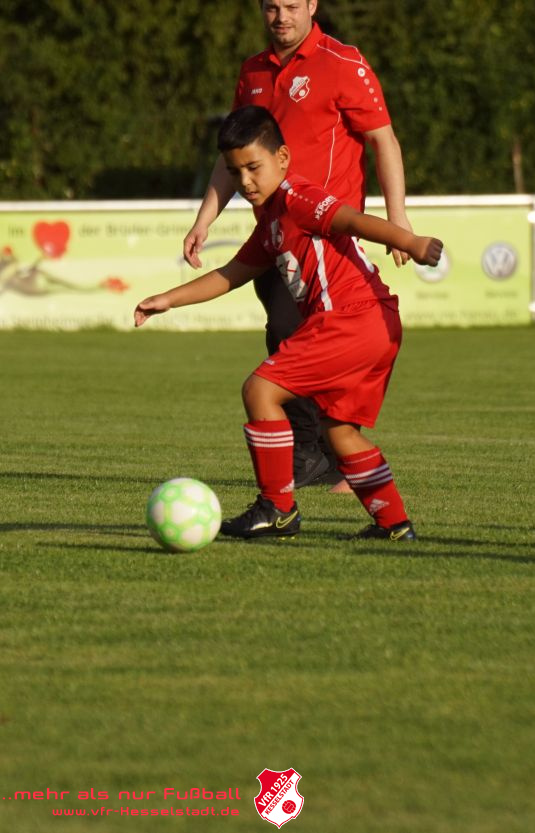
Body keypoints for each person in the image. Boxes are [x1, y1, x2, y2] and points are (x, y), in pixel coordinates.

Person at [137, 106, 441, 541]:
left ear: (282, 158)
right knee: (339, 432)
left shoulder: (299, 198)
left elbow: (352, 220)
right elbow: (231, 273)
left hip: (350, 319)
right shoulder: (272, 220)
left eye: (253, 167)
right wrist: (167, 299)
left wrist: (410, 240)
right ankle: (394, 524)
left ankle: (276, 509)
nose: (244, 182)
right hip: (377, 324)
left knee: (259, 390)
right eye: (234, 172)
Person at [183, 0, 413, 491]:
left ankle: (319, 455)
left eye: (291, 5)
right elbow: (233, 156)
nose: (281, 16)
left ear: (312, 5)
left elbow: (384, 140)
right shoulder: (252, 71)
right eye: (271, 7)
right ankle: (323, 456)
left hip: (327, 239)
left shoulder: (343, 62)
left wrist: (398, 218)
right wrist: (205, 219)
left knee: (303, 337)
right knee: (284, 336)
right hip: (273, 235)